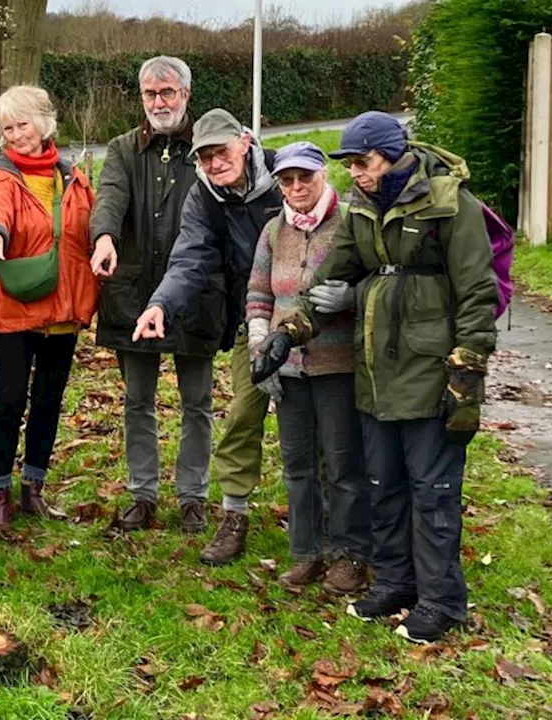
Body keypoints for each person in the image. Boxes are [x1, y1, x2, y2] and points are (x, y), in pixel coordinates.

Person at [257, 112, 498, 643]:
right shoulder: (363, 211)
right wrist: (288, 333)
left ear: (393, 154)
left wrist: (468, 368)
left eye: (363, 163)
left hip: (433, 371)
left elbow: (479, 293)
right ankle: (395, 581)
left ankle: (441, 600)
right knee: (383, 485)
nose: (357, 174)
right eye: (349, 165)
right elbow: (330, 279)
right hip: (374, 372)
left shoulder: (450, 205)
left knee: (432, 490)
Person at [133, 108, 282, 565]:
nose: (216, 164)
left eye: (222, 152)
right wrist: (160, 304)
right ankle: (235, 516)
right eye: (206, 157)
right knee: (241, 413)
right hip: (250, 319)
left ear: (244, 142)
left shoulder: (286, 174)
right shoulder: (205, 196)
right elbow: (190, 258)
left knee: (318, 422)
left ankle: (330, 525)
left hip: (309, 318)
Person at [89, 56, 218, 535]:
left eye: (167, 92)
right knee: (137, 400)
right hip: (135, 292)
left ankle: (193, 497)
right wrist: (104, 236)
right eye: (150, 94)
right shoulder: (124, 149)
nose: (159, 102)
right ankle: (143, 494)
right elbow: (110, 197)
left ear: (186, 94)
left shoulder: (205, 148)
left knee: (197, 401)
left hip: (196, 293)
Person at [244, 141, 370, 593]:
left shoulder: (350, 223)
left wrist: (351, 300)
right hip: (288, 367)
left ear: (323, 176)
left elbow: (371, 285)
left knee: (342, 462)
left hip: (337, 364)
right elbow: (259, 292)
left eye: (305, 178)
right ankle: (306, 552)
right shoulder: (274, 231)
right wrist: (262, 346)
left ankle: (349, 553)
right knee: (297, 464)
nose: (296, 187)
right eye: (287, 180)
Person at [0, 85, 99, 536]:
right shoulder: (2, 177)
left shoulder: (74, 178)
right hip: (15, 305)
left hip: (63, 308)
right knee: (8, 399)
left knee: (48, 400)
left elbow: (92, 225)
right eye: (7, 128)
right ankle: (0, 494)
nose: (16, 135)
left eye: (22, 124)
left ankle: (34, 488)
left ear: (45, 123)